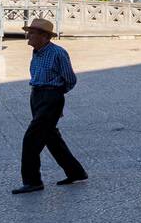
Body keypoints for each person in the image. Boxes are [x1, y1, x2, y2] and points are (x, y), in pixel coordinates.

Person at [12, 18, 88, 194]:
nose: (28, 36)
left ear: (44, 37)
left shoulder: (58, 53)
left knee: (31, 140)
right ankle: (76, 172)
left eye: (32, 33)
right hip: (37, 95)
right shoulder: (36, 52)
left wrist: (55, 97)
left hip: (50, 96)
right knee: (51, 138)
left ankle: (32, 181)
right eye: (28, 32)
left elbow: (70, 79)